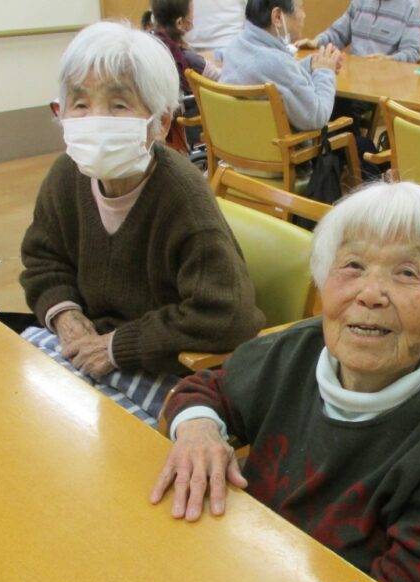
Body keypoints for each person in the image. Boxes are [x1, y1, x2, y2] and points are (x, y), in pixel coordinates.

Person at [150, 181, 420, 582]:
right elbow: (208, 388)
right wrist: (199, 432)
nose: (370, 293)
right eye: (352, 265)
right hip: (251, 571)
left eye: (407, 273)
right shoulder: (296, 351)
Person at [20, 21, 264, 426]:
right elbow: (43, 258)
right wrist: (64, 316)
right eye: (80, 104)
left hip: (162, 369)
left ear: (161, 123)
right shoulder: (67, 175)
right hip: (90, 351)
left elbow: (228, 315)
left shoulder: (181, 198)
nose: (95, 119)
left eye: (118, 106)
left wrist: (118, 346)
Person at [220, 0, 342, 132]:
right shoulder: (278, 64)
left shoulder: (235, 46)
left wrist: (311, 64)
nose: (304, 15)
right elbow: (317, 117)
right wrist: (325, 71)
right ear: (277, 17)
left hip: (237, 145)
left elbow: (276, 73)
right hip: (282, 150)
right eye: (300, 9)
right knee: (358, 140)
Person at [296, 0, 420, 63]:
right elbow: (338, 34)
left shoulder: (411, 5)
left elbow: (412, 53)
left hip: (384, 85)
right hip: (352, 79)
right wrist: (316, 42)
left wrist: (388, 60)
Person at [150, 0, 221, 97]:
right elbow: (223, 79)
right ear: (179, 23)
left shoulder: (148, 44)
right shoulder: (190, 59)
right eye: (191, 8)